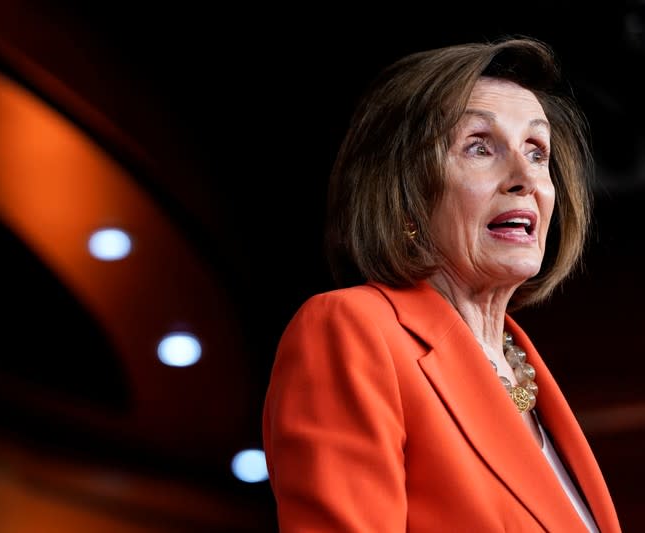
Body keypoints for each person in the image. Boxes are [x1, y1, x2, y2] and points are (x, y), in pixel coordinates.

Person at [262, 35, 621, 532]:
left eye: (537, 151)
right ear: (406, 192)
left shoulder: (520, 359)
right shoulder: (351, 330)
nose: (524, 177)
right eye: (479, 146)